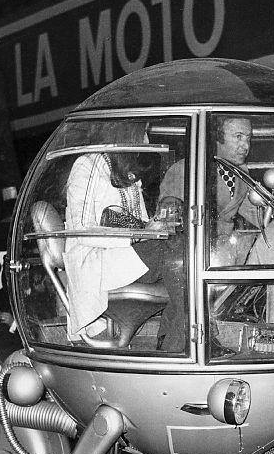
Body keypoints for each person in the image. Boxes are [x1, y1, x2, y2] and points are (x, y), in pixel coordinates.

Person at [64, 130, 185, 352]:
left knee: (185, 250)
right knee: (182, 251)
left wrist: (157, 224)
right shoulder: (88, 165)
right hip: (97, 264)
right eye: (143, 131)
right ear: (128, 131)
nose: (147, 140)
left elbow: (140, 223)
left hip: (129, 258)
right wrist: (141, 233)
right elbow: (82, 230)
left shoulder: (126, 171)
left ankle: (174, 341)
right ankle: (176, 343)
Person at [158, 115, 259, 266]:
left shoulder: (242, 172)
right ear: (216, 137)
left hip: (228, 253)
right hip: (193, 256)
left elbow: (254, 214)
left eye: (248, 138)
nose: (245, 146)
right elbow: (168, 224)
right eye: (238, 137)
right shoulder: (186, 169)